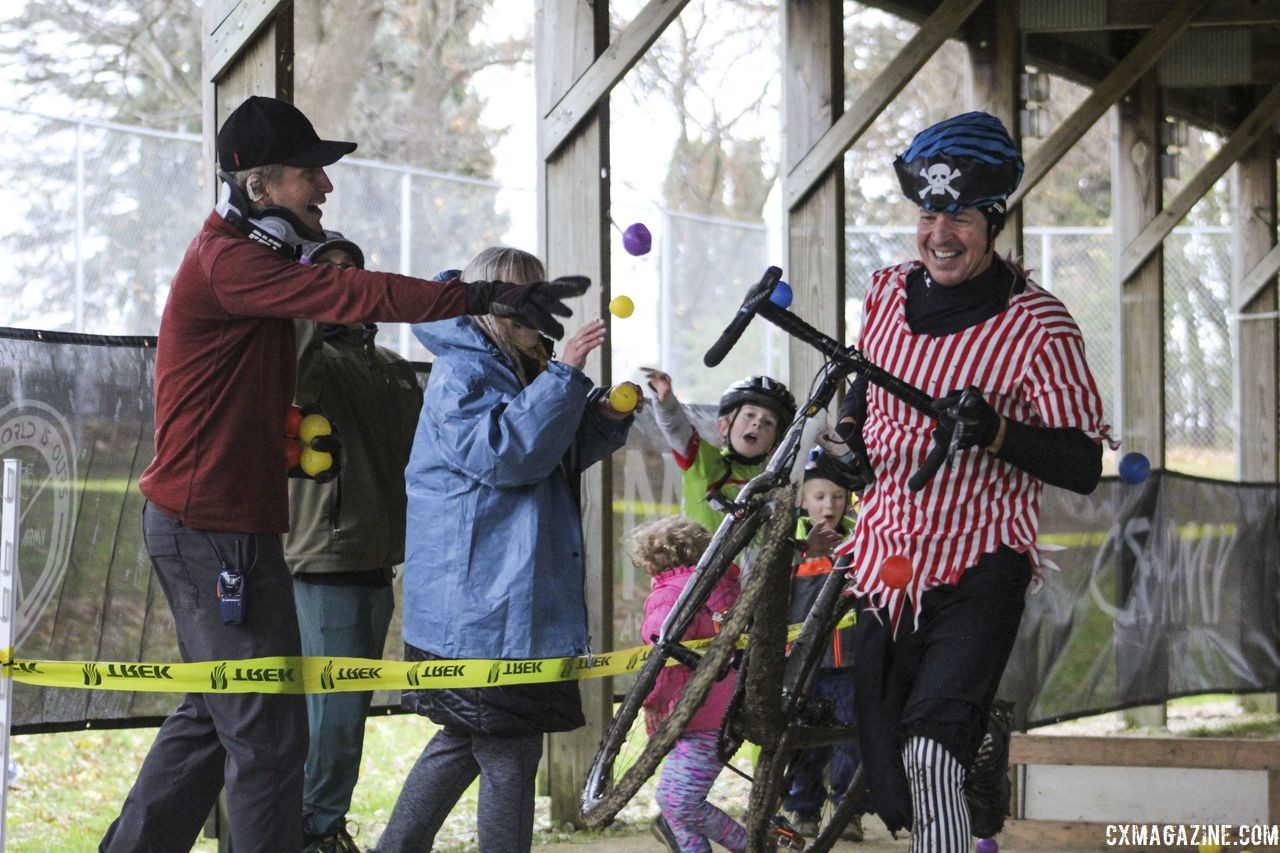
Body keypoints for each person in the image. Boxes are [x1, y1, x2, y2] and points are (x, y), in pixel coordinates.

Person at [104, 96, 586, 853]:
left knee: (212, 716)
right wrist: (479, 295)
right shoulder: (230, 263)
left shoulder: (252, 256)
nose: (325, 187)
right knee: (268, 735)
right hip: (210, 531)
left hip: (236, 527)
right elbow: (352, 292)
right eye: (310, 174)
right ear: (260, 187)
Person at [835, 111, 1106, 851]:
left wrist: (998, 432)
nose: (941, 232)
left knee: (931, 753)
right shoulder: (887, 293)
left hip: (982, 563)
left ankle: (963, 757)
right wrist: (851, 440)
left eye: (960, 214)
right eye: (928, 211)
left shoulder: (1039, 326)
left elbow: (1083, 464)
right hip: (885, 562)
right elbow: (863, 393)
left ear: (993, 221)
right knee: (889, 759)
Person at [374, 247, 636, 852]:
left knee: (465, 743)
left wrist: (596, 415)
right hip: (483, 611)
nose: (535, 311)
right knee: (510, 754)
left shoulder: (517, 363)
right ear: (485, 303)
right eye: (520, 298)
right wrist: (567, 376)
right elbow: (507, 456)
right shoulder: (463, 372)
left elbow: (547, 456)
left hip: (502, 606)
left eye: (541, 295)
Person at [282, 235, 423, 853]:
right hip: (324, 557)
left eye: (352, 273)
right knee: (331, 716)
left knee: (347, 709)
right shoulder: (302, 353)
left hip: (379, 556)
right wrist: (312, 299)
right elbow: (292, 366)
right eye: (326, 274)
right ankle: (314, 832)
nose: (343, 282)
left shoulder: (392, 368)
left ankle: (321, 825)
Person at [631, 515, 748, 853]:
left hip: (698, 714)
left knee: (677, 800)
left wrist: (650, 700)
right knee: (677, 800)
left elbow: (661, 659)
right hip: (727, 708)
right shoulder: (726, 585)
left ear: (651, 562)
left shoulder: (668, 597)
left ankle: (749, 844)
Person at [783, 448, 864, 842]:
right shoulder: (786, 545)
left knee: (850, 736)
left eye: (837, 496)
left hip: (850, 661)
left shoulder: (861, 540)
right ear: (802, 500)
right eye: (819, 497)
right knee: (802, 739)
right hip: (803, 666)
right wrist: (804, 554)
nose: (828, 504)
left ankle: (846, 812)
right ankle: (801, 810)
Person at [642, 369, 796, 533]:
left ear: (773, 445)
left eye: (768, 423)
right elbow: (675, 429)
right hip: (699, 557)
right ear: (724, 427)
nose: (757, 423)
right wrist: (666, 403)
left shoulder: (775, 484)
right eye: (750, 414)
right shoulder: (705, 463)